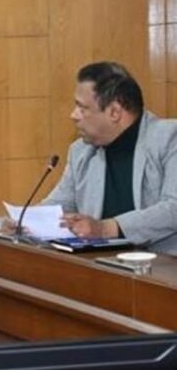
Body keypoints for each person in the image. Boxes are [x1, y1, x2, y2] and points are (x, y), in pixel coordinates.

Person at [42, 61, 177, 255]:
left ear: (114, 112)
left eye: (82, 108)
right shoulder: (81, 151)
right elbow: (61, 204)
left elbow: (173, 208)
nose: (73, 115)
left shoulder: (169, 138)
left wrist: (106, 228)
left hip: (165, 266)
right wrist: (25, 222)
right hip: (101, 264)